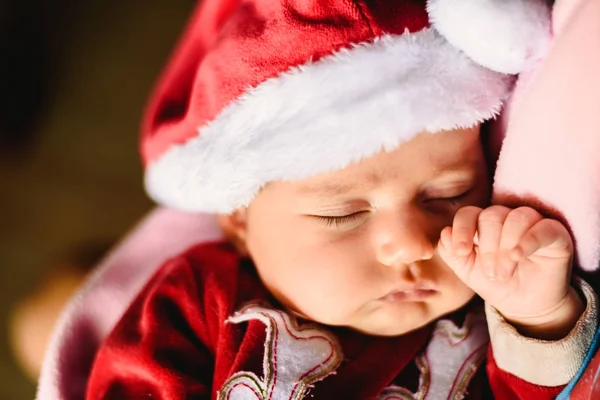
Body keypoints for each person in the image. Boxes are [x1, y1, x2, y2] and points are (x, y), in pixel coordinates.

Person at [85, 0, 598, 398]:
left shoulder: (488, 302)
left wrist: (538, 318)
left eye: (449, 193)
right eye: (344, 213)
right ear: (240, 219)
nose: (412, 245)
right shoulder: (203, 299)